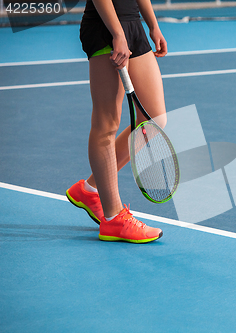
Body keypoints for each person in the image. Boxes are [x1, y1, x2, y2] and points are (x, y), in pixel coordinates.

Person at [66, 0, 168, 243]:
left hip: (132, 24)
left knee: (154, 118)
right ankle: (113, 219)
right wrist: (117, 33)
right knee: (106, 124)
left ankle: (89, 190)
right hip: (106, 28)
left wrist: (152, 25)